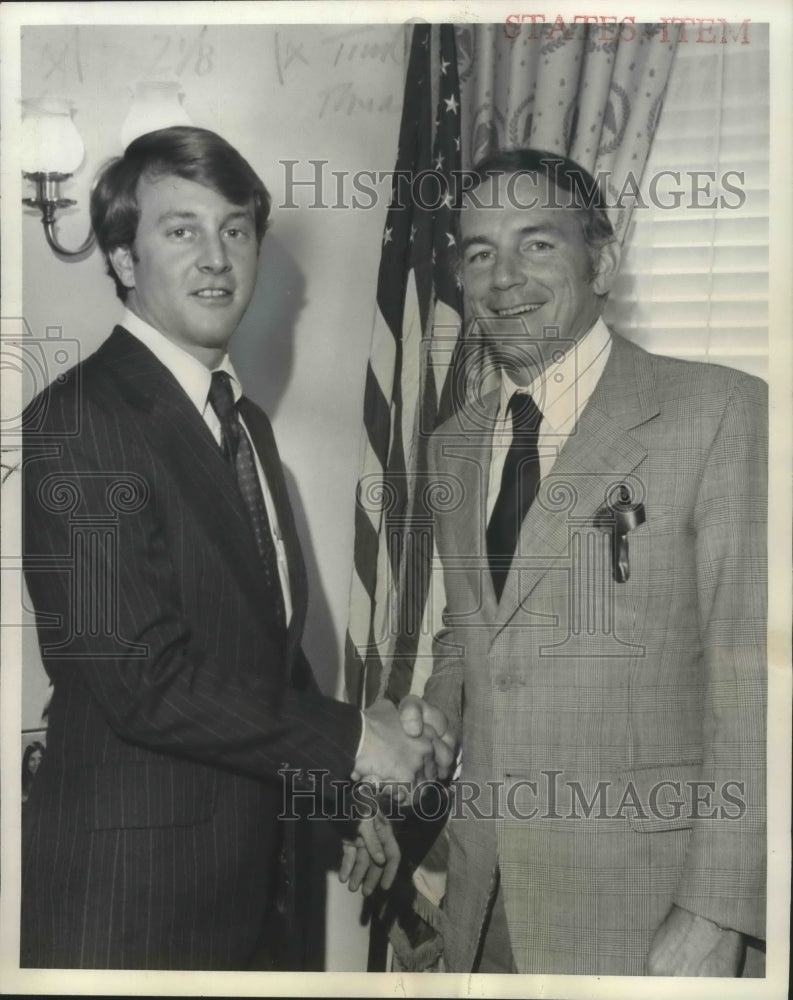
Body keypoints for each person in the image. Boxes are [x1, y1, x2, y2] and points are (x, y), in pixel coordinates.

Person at [20, 125, 452, 970]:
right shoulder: (80, 420)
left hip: (256, 892)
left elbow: (256, 666)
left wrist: (343, 792)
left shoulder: (243, 422)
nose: (216, 258)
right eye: (179, 230)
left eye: (236, 229)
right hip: (130, 906)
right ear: (120, 258)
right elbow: (142, 680)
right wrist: (358, 743)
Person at [369, 148, 767, 976]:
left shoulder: (720, 412)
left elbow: (752, 680)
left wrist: (716, 913)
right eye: (479, 253)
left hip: (648, 908)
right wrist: (439, 717)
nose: (504, 278)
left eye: (536, 243)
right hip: (481, 903)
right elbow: (471, 634)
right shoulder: (454, 445)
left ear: (603, 262)